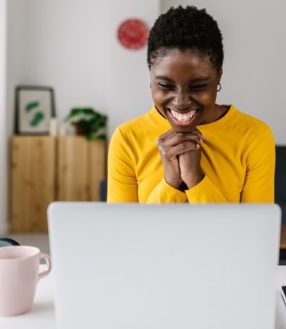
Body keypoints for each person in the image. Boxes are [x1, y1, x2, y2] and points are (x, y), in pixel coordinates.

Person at [107, 6, 275, 203]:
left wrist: (195, 178)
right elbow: (125, 231)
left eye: (198, 86)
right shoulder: (127, 139)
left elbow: (253, 230)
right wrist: (171, 181)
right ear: (150, 76)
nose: (181, 101)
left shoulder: (254, 136)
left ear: (218, 75)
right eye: (165, 85)